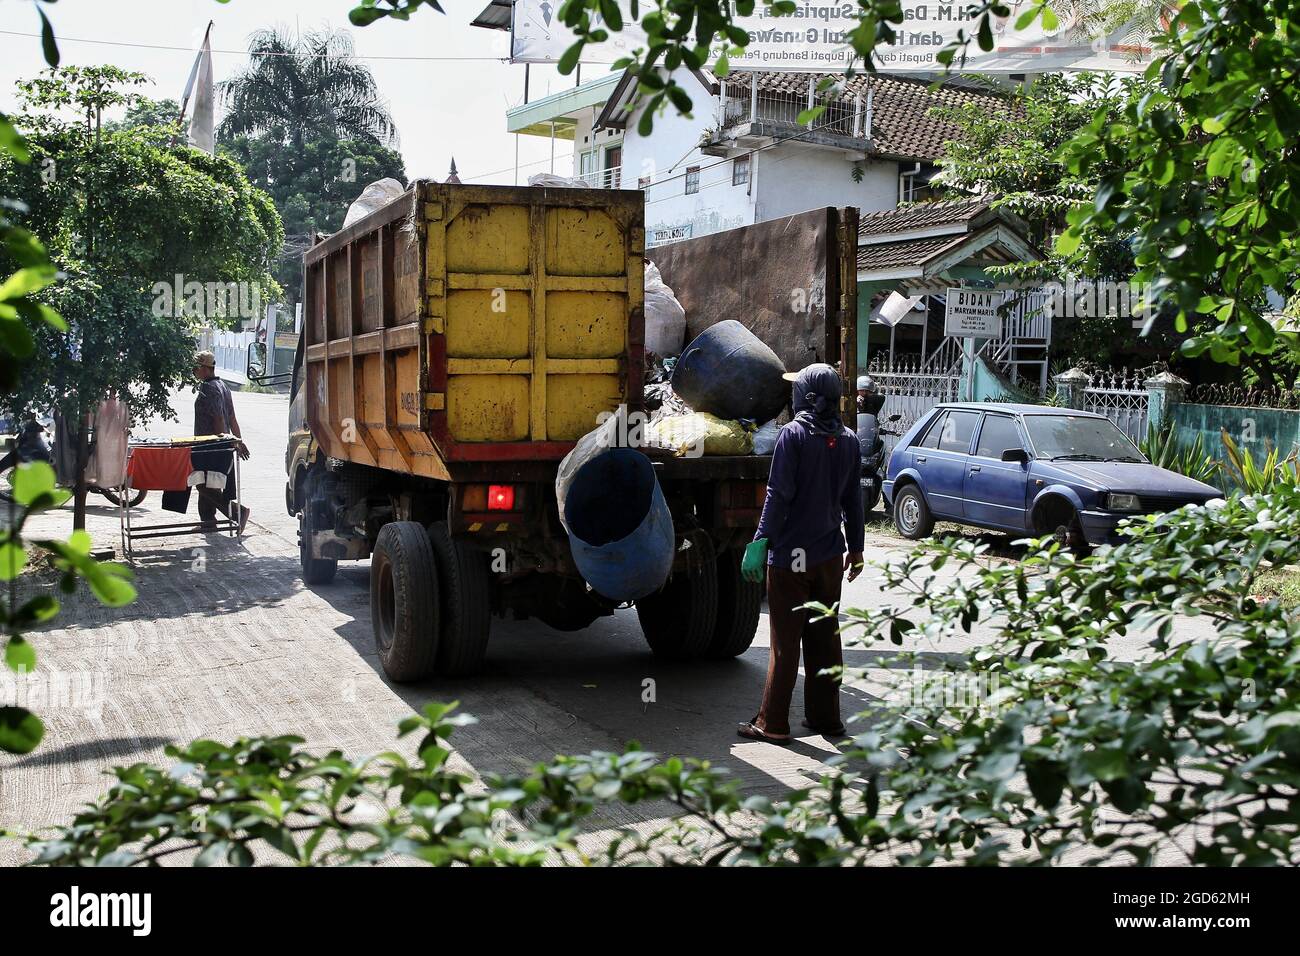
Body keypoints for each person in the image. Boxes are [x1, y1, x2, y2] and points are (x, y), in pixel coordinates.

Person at [738, 363, 865, 745]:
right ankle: (828, 720)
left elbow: (778, 495)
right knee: (825, 637)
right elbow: (853, 502)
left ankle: (773, 722)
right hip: (829, 557)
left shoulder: (792, 436)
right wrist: (856, 549)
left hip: (792, 557)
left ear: (806, 396)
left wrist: (760, 541)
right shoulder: (849, 440)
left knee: (785, 641)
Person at [193, 350, 251, 532]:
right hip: (218, 444)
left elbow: (219, 418)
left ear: (205, 368)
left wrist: (229, 441)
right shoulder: (222, 386)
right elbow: (232, 418)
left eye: (196, 368)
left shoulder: (209, 388)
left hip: (211, 446)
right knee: (208, 483)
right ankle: (208, 522)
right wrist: (237, 440)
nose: (194, 371)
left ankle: (237, 513)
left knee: (202, 485)